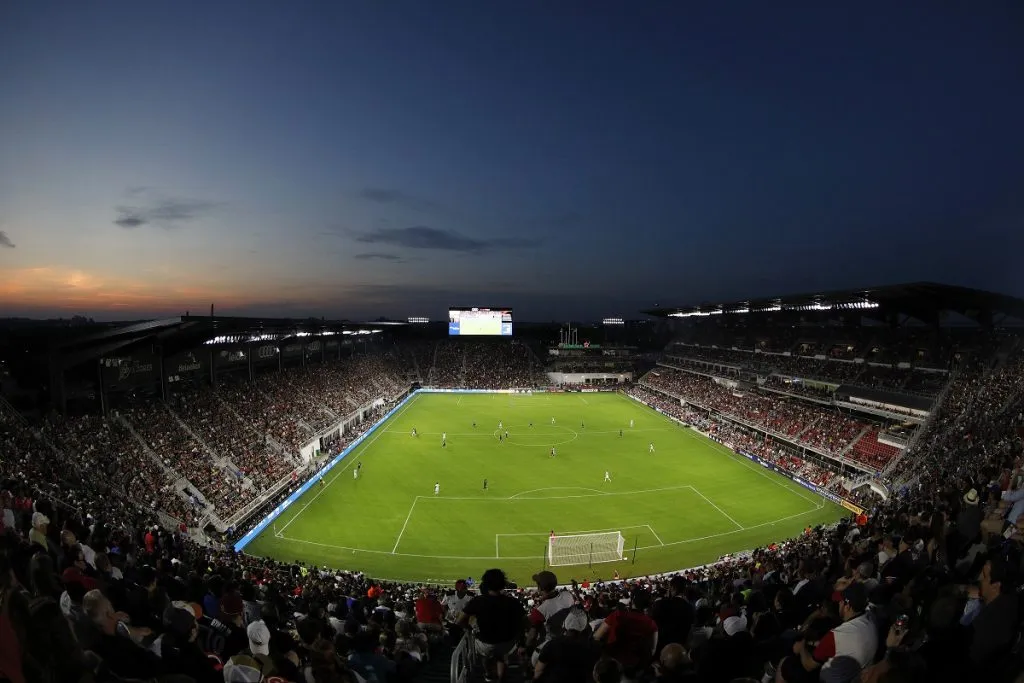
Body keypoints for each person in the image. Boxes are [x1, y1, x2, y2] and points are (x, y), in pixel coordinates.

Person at [458, 569, 524, 683]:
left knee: (485, 655)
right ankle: (501, 678)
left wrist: (468, 627)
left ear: (485, 584)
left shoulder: (477, 601)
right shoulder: (513, 602)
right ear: (503, 584)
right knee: (501, 654)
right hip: (507, 643)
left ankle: (488, 674)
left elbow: (459, 621)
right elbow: (524, 622)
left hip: (485, 643)